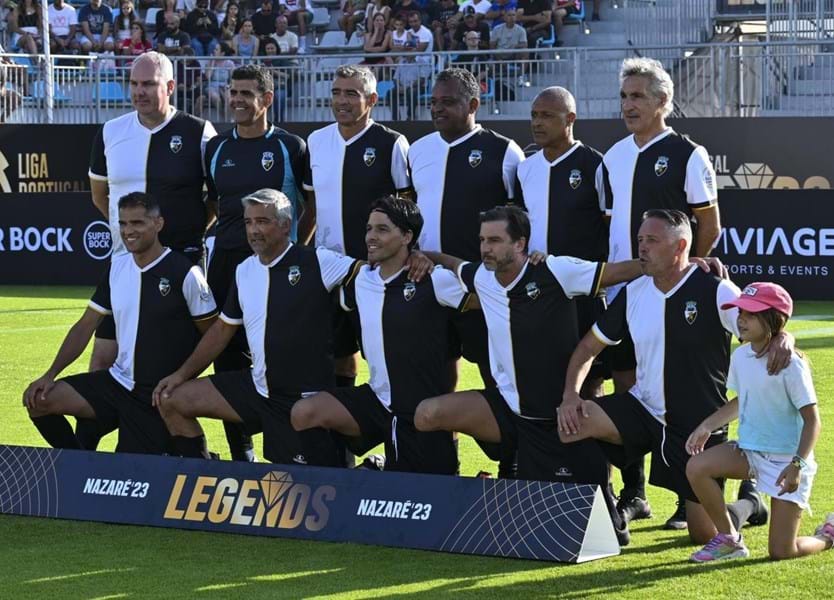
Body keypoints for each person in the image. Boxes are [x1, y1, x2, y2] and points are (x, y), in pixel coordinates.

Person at [557, 209, 794, 545]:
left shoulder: (716, 290)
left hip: (696, 426)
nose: (642, 248)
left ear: (681, 245)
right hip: (644, 410)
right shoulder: (634, 292)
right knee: (573, 424)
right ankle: (607, 511)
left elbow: (763, 324)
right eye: (640, 240)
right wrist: (570, 395)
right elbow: (586, 350)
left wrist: (785, 337)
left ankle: (749, 503)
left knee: (703, 534)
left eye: (652, 240)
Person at [415, 206, 643, 543]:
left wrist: (686, 264)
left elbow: (621, 271)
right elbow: (454, 264)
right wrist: (423, 255)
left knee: (606, 535)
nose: (485, 247)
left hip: (561, 416)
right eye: (482, 240)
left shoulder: (555, 270)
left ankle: (615, 493)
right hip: (510, 411)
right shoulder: (481, 277)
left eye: (494, 240)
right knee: (427, 414)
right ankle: (445, 496)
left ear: (521, 244)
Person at [153, 189, 360, 466]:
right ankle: (202, 476)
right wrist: (181, 375)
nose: (253, 230)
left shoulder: (318, 261)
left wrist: (422, 260)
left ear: (286, 225)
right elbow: (221, 331)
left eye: (263, 221)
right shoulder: (244, 269)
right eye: (248, 222)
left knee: (302, 489)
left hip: (303, 400)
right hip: (256, 389)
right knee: (172, 400)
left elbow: (372, 274)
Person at [603, 57, 722, 529]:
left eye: (638, 96)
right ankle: (634, 493)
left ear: (663, 101)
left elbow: (708, 225)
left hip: (671, 294)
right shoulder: (613, 155)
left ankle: (687, 495)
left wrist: (682, 275)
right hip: (624, 295)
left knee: (683, 392)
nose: (628, 105)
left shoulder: (688, 154)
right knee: (626, 387)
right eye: (624, 96)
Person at [84, 52, 216, 447]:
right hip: (124, 267)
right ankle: (81, 460)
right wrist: (133, 240)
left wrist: (184, 240)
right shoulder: (110, 132)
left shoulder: (198, 131)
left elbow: (214, 199)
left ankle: (197, 456)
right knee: (102, 359)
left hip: (180, 270)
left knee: (175, 370)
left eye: (149, 85)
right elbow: (100, 197)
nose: (139, 92)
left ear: (170, 87)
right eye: (135, 84)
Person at [23, 192, 217, 456]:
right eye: (123, 224)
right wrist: (49, 374)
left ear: (158, 224)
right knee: (38, 400)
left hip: (157, 394)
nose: (129, 231)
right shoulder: (117, 267)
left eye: (137, 223)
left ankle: (202, 462)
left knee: (133, 470)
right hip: (118, 384)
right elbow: (85, 326)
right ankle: (79, 465)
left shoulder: (185, 273)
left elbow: (213, 336)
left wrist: (181, 377)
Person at [292, 196, 461, 474]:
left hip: (419, 409)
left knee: (419, 491)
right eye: (369, 228)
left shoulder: (435, 279)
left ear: (407, 236)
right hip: (376, 400)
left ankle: (380, 468)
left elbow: (487, 287)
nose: (371, 236)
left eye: (382, 230)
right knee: (305, 413)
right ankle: (338, 486)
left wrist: (432, 256)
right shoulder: (360, 279)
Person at [686, 282, 834, 562]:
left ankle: (828, 535)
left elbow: (813, 421)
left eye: (751, 314)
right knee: (697, 467)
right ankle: (730, 539)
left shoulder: (793, 364)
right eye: (740, 312)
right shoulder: (740, 355)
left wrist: (797, 466)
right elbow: (743, 400)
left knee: (782, 551)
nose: (741, 319)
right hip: (750, 452)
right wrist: (707, 425)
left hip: (787, 463)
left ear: (772, 319)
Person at [203, 64, 306, 461]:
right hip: (226, 265)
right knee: (227, 361)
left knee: (280, 355)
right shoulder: (216, 148)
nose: (237, 101)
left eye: (247, 93)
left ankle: (287, 450)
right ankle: (240, 453)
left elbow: (304, 208)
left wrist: (293, 253)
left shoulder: (290, 147)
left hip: (276, 268)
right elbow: (214, 203)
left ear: (267, 99)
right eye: (233, 92)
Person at [408, 67, 523, 392]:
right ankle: (447, 445)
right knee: (436, 376)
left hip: (482, 285)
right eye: (433, 101)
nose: (437, 108)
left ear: (473, 104)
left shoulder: (504, 151)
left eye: (448, 101)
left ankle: (509, 442)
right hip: (429, 282)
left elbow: (519, 222)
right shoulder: (417, 151)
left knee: (496, 377)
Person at [304, 65, 411, 397]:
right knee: (336, 357)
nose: (341, 101)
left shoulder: (392, 143)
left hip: (377, 272)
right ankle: (342, 447)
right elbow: (311, 206)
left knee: (387, 358)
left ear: (372, 99)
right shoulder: (316, 141)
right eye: (336, 92)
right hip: (329, 270)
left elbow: (408, 209)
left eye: (351, 93)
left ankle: (398, 442)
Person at [514, 87, 608, 398]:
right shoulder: (525, 168)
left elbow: (611, 228)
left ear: (570, 119)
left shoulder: (596, 165)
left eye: (547, 116)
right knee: (544, 375)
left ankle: (592, 444)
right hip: (540, 289)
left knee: (591, 379)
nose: (537, 123)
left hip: (584, 290)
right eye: (534, 116)